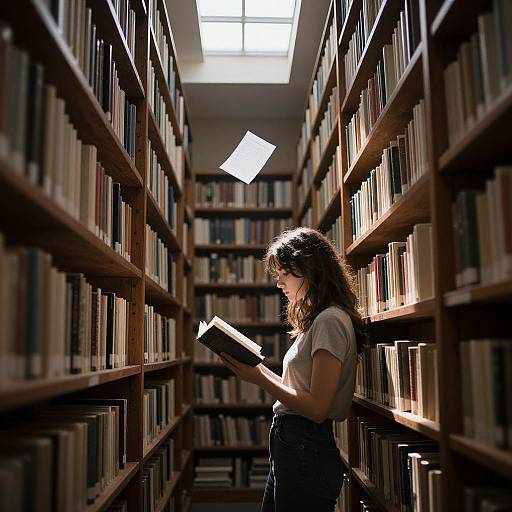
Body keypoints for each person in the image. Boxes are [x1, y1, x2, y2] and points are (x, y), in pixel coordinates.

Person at [220, 227, 367, 512]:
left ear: (307, 270)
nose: (279, 284)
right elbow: (301, 390)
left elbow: (316, 408)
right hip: (292, 445)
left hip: (305, 446)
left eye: (283, 275)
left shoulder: (329, 321)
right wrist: (257, 371)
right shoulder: (319, 321)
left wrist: (259, 379)